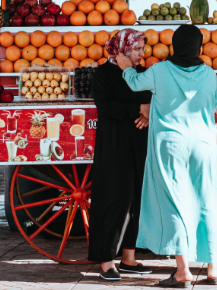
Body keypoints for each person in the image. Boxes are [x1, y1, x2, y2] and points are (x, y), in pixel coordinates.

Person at [120, 24, 217, 287]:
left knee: (175, 202)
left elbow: (133, 84)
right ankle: (213, 269)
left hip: (171, 145)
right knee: (207, 200)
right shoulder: (209, 74)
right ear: (199, 46)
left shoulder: (160, 70)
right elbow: (214, 104)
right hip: (203, 145)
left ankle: (183, 271)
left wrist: (125, 67)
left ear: (175, 45)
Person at [87, 29, 153, 282]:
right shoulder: (102, 74)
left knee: (138, 199)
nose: (141, 54)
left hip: (139, 142)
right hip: (114, 145)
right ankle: (106, 261)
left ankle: (128, 257)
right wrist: (139, 108)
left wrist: (148, 114)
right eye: (137, 49)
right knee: (115, 199)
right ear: (122, 49)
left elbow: (150, 100)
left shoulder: (141, 74)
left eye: (141, 49)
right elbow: (107, 107)